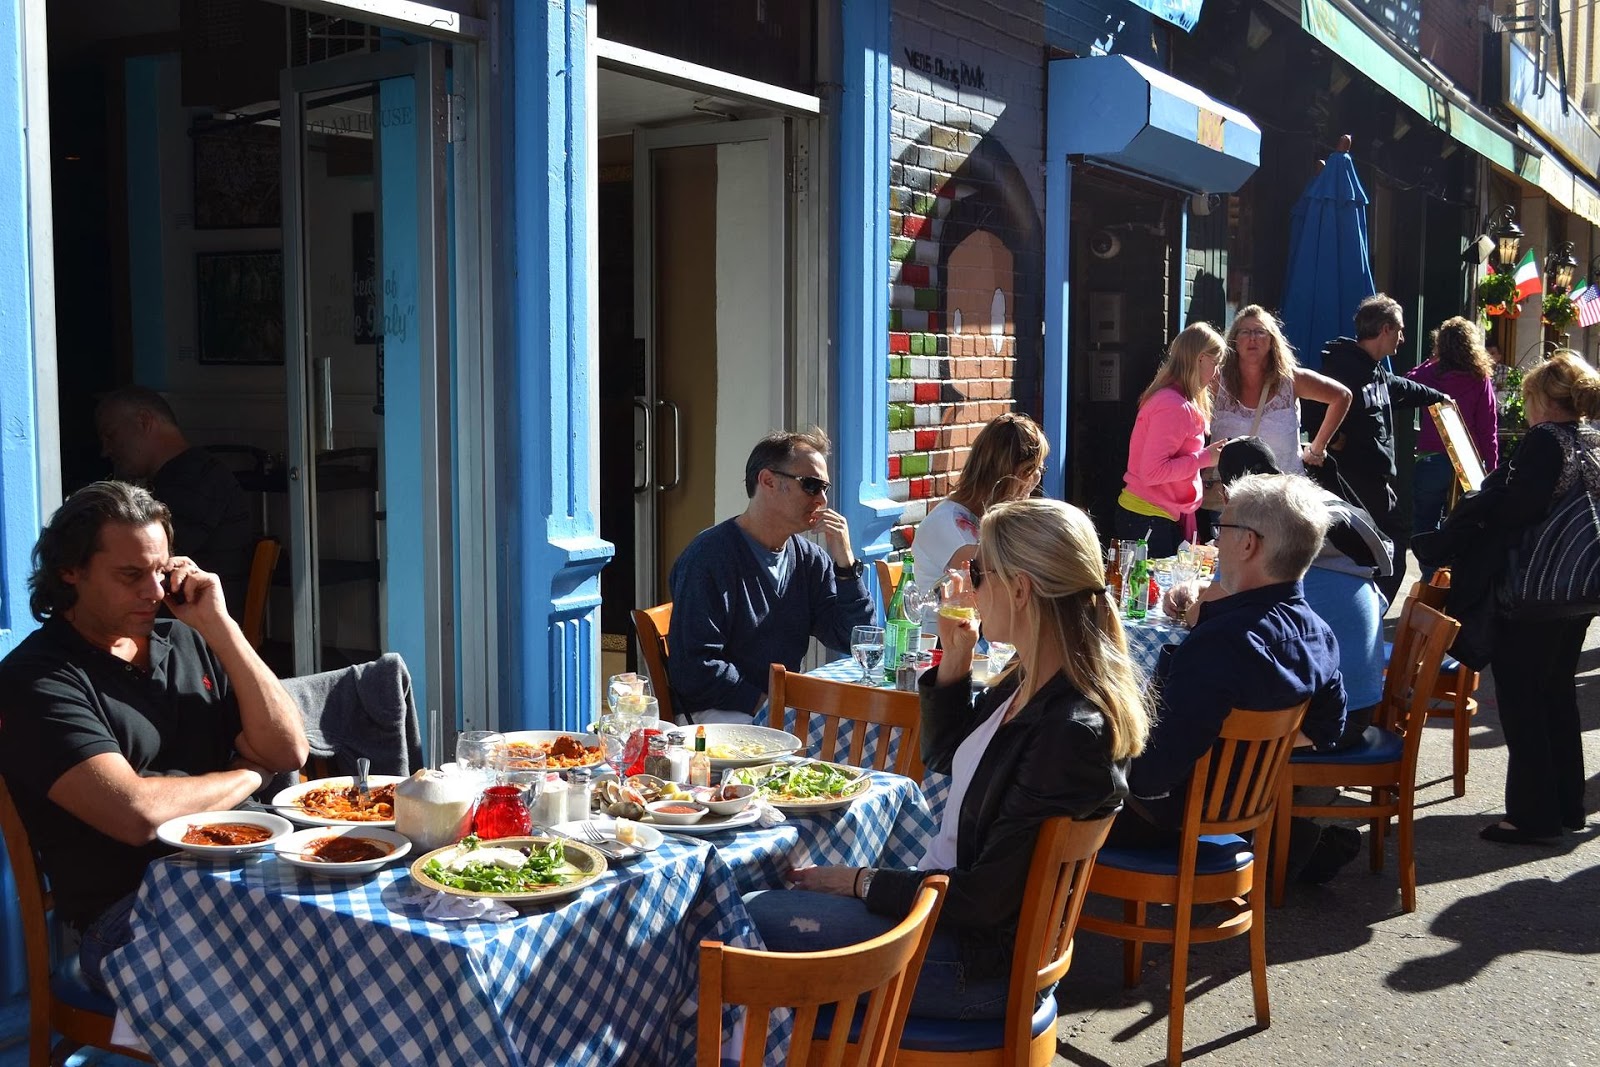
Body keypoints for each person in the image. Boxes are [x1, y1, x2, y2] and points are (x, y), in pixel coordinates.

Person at [745, 498, 1149, 1018]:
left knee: (741, 922)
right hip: (957, 927)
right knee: (763, 899)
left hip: (975, 965)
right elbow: (948, 757)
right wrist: (954, 660)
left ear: (1020, 589)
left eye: (978, 572)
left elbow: (983, 900)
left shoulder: (1068, 730)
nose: (966, 586)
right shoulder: (1030, 680)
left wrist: (862, 882)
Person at [0, 481, 309, 996]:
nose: (154, 592)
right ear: (69, 572)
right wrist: (249, 774)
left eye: (161, 571)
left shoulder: (186, 637)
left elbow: (288, 749)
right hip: (132, 916)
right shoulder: (37, 679)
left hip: (248, 878)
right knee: (305, 979)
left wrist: (222, 626)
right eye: (130, 575)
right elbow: (136, 814)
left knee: (389, 942)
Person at [1111, 474, 1348, 865]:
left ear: (1248, 543)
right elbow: (1328, 728)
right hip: (1242, 811)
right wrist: (1249, 763)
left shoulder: (1217, 643)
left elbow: (1152, 776)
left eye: (1221, 528)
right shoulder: (1319, 634)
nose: (1215, 541)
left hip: (1171, 820)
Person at [1168, 437, 1388, 750]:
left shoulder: (1253, 525)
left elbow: (1199, 616)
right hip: (1361, 702)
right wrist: (1200, 588)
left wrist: (1185, 598)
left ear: (1228, 490)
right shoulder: (1299, 511)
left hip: (1323, 725)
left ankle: (1240, 796)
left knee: (1203, 718)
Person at [1475, 352, 1600, 843]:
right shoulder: (1592, 437)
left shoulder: (1546, 438)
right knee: (1557, 694)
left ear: (1545, 400)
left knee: (1523, 697)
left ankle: (1532, 816)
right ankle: (1568, 804)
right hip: (1581, 583)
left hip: (1540, 587)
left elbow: (1521, 509)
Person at [667, 429, 874, 723]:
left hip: (773, 707)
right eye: (812, 485)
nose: (822, 500)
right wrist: (766, 704)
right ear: (768, 481)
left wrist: (846, 563)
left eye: (825, 489)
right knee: (827, 742)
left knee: (863, 731)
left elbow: (854, 639)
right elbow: (695, 668)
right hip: (714, 713)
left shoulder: (809, 560)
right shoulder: (708, 558)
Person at [1307, 295, 1450, 602]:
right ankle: (1371, 607)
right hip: (1353, 478)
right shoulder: (1343, 367)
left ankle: (1368, 604)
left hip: (1375, 479)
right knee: (1384, 543)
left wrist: (1439, 397)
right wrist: (1333, 441)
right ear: (1385, 329)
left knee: (1381, 544)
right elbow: (1311, 405)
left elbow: (1401, 388)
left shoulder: (1376, 371)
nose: (1402, 338)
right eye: (1400, 330)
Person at [95, 386, 255, 615]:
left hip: (193, 630)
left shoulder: (196, 480)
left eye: (111, 436)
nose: (105, 450)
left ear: (143, 421)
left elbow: (153, 562)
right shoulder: (193, 474)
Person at [1117, 323, 1230, 556]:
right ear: (1200, 359)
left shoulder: (1174, 399)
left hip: (1154, 516)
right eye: (1215, 363)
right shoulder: (1173, 404)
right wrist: (1205, 458)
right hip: (1148, 518)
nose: (1216, 372)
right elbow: (1152, 472)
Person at [1404, 317, 1500, 580]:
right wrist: (1491, 469)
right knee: (1461, 524)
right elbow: (1487, 428)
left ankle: (1430, 578)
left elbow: (1407, 380)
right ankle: (1454, 579)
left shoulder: (1430, 374)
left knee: (1425, 521)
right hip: (1467, 462)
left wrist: (1431, 360)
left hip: (1431, 459)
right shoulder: (1480, 379)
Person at [1214, 306, 1351, 475]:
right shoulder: (1216, 381)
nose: (1252, 338)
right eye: (1245, 332)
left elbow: (1342, 396)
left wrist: (1317, 448)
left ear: (1272, 341)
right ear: (1234, 340)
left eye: (1260, 331)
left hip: (1283, 493)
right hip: (1226, 495)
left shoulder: (1292, 380)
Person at [913, 412, 1048, 577]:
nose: (1036, 479)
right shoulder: (947, 522)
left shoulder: (981, 517)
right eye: (1033, 470)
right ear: (1008, 474)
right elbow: (1001, 577)